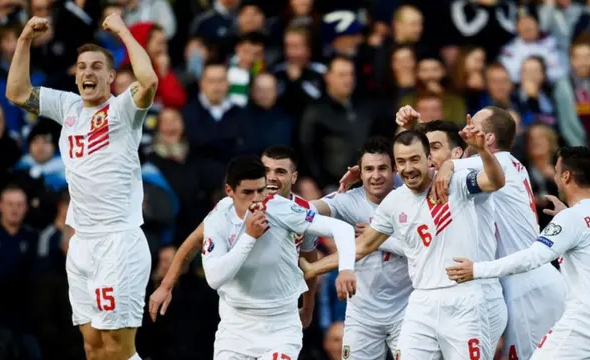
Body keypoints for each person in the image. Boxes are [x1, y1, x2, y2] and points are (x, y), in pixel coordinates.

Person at [5, 13, 158, 360]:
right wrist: (25, 38)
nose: (87, 72)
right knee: (93, 347)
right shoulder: (68, 106)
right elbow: (16, 92)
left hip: (118, 241)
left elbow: (148, 79)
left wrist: (121, 31)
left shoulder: (124, 109)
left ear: (111, 76)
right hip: (82, 244)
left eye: (96, 67)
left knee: (118, 348)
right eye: (81, 67)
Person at [301, 126, 506, 360]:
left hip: (463, 299)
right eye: (402, 162)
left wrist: (481, 151)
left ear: (429, 159)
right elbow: (363, 246)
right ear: (396, 167)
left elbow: (495, 180)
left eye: (414, 160)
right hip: (420, 303)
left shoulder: (456, 182)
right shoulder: (394, 202)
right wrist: (312, 268)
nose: (408, 168)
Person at [397, 105, 567, 360]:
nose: (466, 129)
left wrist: (448, 164)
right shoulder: (506, 163)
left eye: (472, 124)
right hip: (529, 280)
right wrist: (418, 129)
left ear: (488, 139)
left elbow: (441, 162)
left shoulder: (493, 163)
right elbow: (439, 156)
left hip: (527, 285)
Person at [447, 146, 590, 360]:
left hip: (586, 328)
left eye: (556, 170)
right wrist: (568, 219)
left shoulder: (572, 219)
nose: (554, 175)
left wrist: (476, 269)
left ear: (566, 176)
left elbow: (531, 257)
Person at [202, 155, 357, 360]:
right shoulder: (218, 218)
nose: (257, 199)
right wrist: (249, 237)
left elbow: (342, 228)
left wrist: (346, 269)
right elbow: (214, 278)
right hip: (235, 329)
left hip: (280, 326)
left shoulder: (280, 207)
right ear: (230, 191)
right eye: (247, 192)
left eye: (261, 190)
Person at [148, 146, 320, 327]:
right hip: (236, 304)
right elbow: (192, 242)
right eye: (266, 170)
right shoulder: (231, 204)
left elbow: (309, 263)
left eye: (280, 172)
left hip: (278, 307)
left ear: (294, 177)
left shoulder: (304, 212)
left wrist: (308, 307)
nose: (271, 177)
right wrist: (166, 286)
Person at [311, 136, 411, 360]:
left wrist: (375, 236)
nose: (376, 176)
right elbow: (310, 209)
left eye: (382, 168)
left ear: (394, 169)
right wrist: (280, 202)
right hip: (362, 315)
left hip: (407, 310)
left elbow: (419, 248)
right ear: (360, 172)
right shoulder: (347, 201)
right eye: (369, 169)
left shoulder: (410, 197)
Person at [419, 119, 508, 356]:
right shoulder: (422, 192)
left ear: (457, 153)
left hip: (480, 296)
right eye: (425, 149)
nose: (428, 156)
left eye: (435, 148)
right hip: (442, 299)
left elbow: (494, 181)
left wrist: (452, 164)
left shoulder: (466, 178)